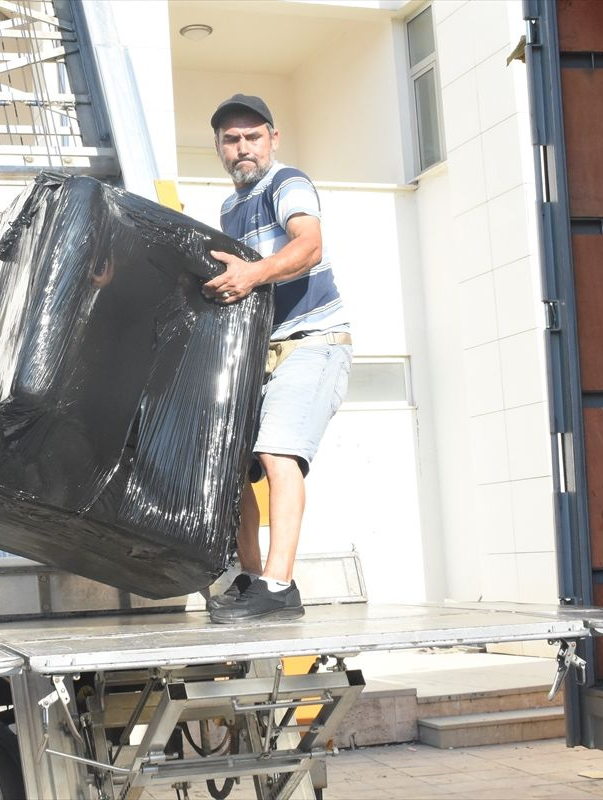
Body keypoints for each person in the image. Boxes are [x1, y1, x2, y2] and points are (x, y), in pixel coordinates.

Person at [203, 94, 352, 624]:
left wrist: (251, 273)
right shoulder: (230, 208)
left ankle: (279, 585)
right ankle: (249, 579)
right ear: (219, 147)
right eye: (231, 139)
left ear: (273, 139)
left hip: (314, 340)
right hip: (265, 354)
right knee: (233, 464)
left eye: (252, 137)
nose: (242, 147)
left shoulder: (286, 182)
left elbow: (307, 246)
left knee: (276, 453)